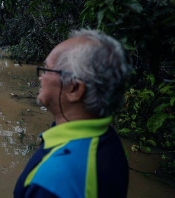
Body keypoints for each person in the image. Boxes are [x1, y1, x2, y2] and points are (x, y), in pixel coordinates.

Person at [14, 29, 131, 198]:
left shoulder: (52, 181)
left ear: (74, 89)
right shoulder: (109, 140)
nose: (41, 77)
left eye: (47, 69)